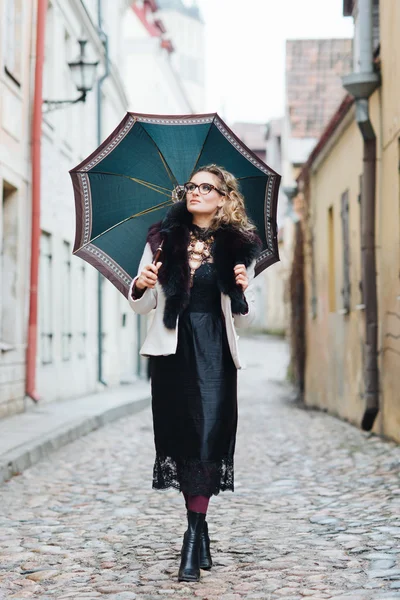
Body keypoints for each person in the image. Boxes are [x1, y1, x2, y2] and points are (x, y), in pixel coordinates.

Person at [128, 164, 261, 582]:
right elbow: (141, 305)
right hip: (172, 352)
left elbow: (245, 319)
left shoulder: (239, 248)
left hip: (216, 355)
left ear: (223, 198)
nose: (197, 192)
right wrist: (141, 283)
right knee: (183, 437)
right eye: (192, 186)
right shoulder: (162, 239)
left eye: (207, 187)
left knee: (208, 438)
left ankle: (191, 537)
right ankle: (199, 528)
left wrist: (241, 290)